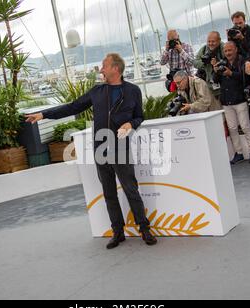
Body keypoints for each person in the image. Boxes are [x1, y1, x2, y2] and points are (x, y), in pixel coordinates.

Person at [25, 53, 157, 249]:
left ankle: (144, 229)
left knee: (130, 189)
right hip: (100, 146)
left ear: (115, 69)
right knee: (109, 192)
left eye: (104, 66)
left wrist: (130, 123)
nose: (100, 70)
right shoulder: (97, 91)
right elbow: (72, 107)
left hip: (120, 146)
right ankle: (118, 232)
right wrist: (43, 114)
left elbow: (139, 117)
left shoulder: (133, 90)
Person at [213, 42, 250, 164]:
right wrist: (215, 70)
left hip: (240, 99)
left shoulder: (242, 61)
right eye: (226, 51)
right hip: (226, 101)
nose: (228, 53)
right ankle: (239, 153)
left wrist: (231, 73)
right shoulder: (222, 63)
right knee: (232, 128)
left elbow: (246, 78)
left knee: (245, 126)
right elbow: (215, 80)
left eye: (230, 50)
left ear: (236, 49)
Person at [229, 11, 250, 133]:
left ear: (244, 21)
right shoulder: (232, 32)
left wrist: (242, 39)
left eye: (240, 23)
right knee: (247, 98)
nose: (238, 26)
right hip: (241, 68)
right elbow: (232, 50)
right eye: (236, 23)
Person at [193, 31, 225, 110]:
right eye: (209, 41)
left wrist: (217, 63)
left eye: (213, 41)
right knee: (217, 112)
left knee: (228, 112)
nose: (210, 43)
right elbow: (195, 62)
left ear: (219, 40)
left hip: (224, 85)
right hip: (211, 87)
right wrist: (205, 63)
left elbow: (229, 61)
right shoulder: (204, 49)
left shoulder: (223, 48)